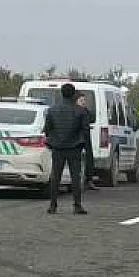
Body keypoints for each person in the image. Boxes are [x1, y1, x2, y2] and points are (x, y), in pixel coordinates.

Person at [42, 83, 90, 214]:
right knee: (75, 176)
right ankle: (77, 205)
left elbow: (47, 129)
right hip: (75, 147)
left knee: (55, 176)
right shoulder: (80, 111)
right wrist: (84, 145)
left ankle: (53, 205)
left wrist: (53, 139)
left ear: (61, 94)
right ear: (74, 94)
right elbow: (85, 131)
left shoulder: (52, 110)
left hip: (57, 147)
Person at [75, 94, 98, 191]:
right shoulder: (74, 111)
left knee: (88, 159)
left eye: (84, 100)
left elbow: (92, 118)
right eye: (81, 100)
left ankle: (89, 180)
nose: (83, 102)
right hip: (76, 139)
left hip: (86, 138)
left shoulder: (86, 111)